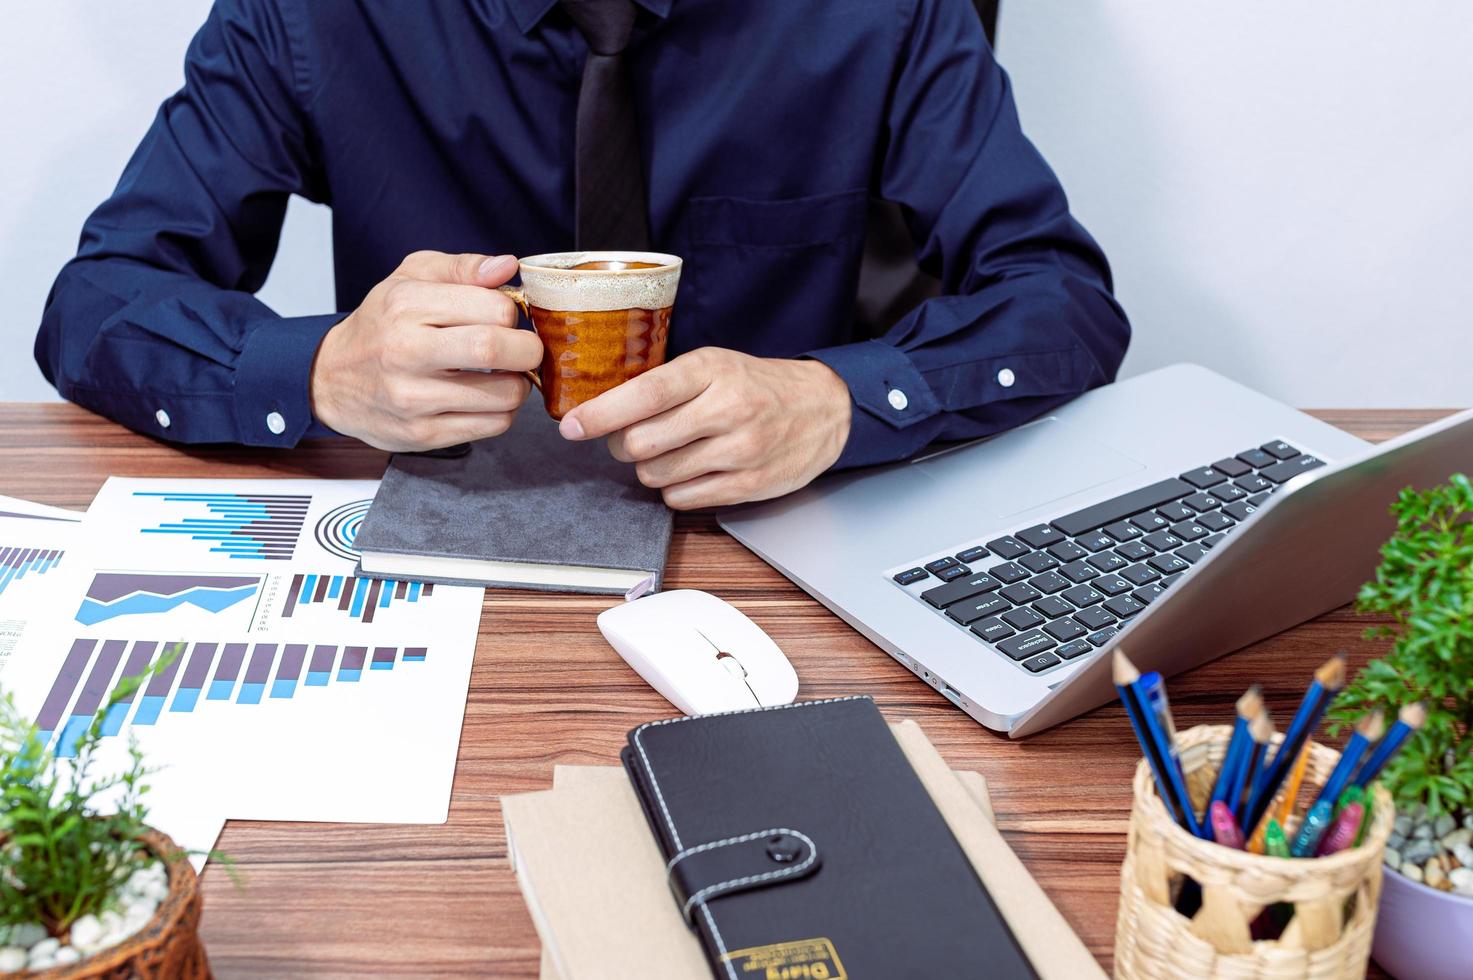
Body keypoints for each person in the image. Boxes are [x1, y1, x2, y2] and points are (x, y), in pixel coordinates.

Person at [35, 0, 1129, 510]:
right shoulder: (313, 14)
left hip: (784, 554)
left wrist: (838, 401)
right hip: (439, 546)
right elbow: (97, 303)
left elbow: (1061, 299)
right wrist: (318, 371)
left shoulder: (883, 12)